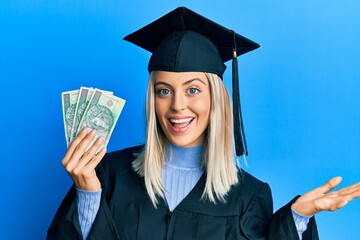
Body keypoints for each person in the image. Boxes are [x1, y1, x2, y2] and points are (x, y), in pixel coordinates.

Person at [47, 7, 360, 240]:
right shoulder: (107, 173)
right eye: (163, 91)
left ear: (216, 99)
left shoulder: (249, 195)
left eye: (193, 89)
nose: (177, 105)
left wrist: (297, 219)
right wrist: (88, 194)